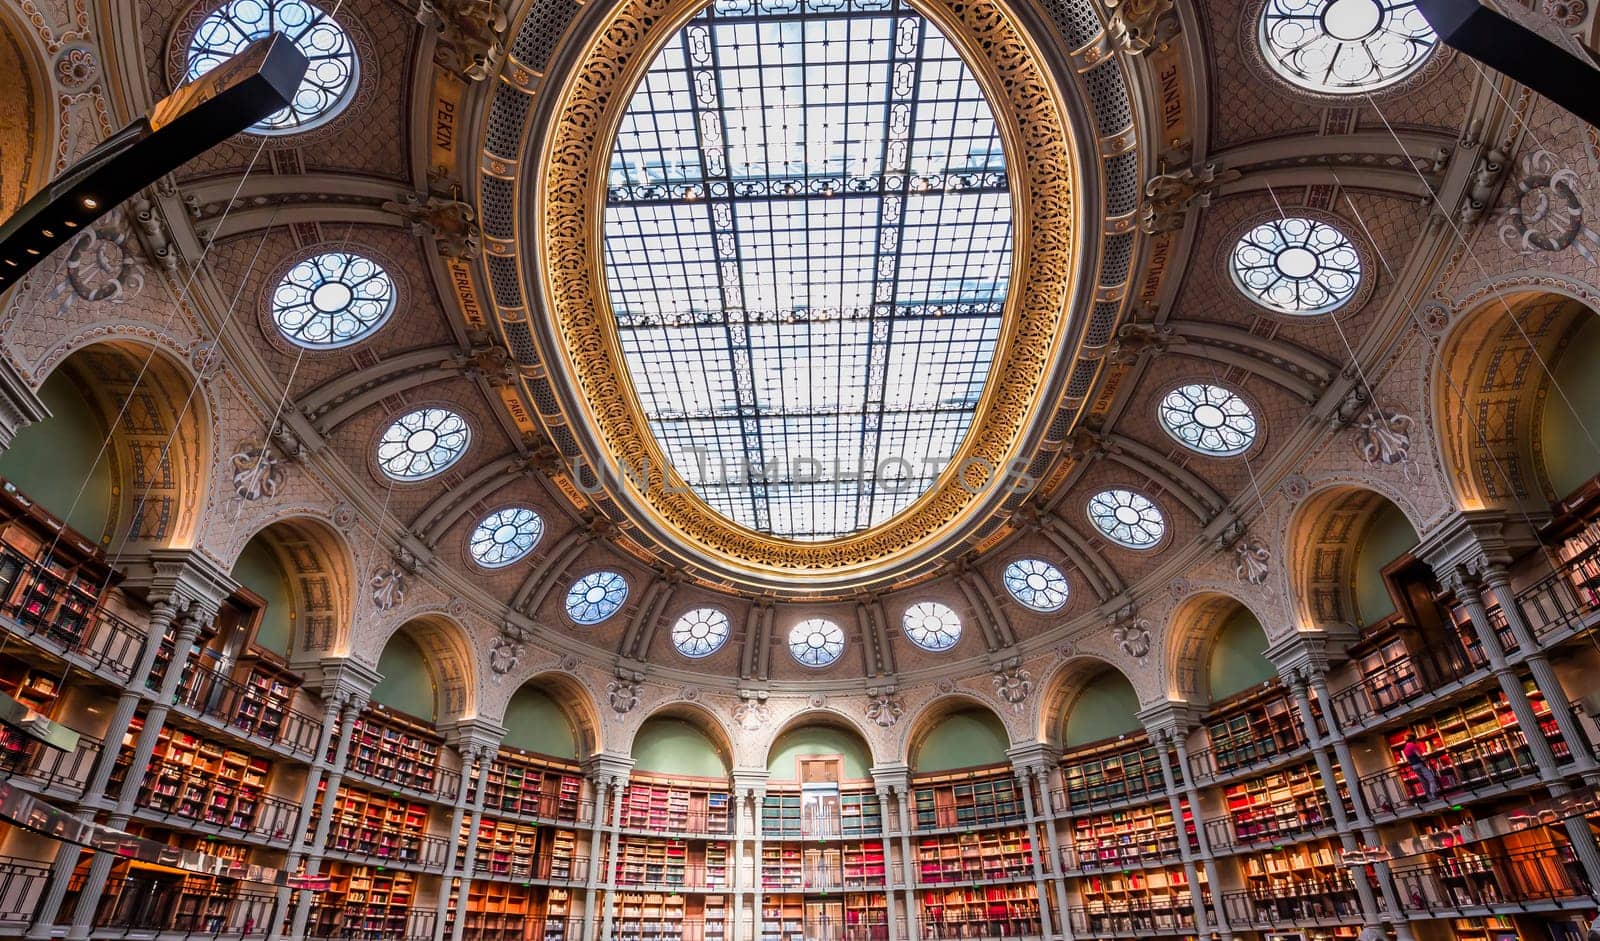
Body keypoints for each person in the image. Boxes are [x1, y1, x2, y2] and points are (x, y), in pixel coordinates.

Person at [1401, 732, 1440, 800]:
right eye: (1415, 739)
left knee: (1424, 782)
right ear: (1413, 739)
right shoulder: (1413, 745)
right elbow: (1419, 755)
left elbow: (1409, 761)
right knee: (1431, 779)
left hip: (1414, 767)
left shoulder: (1405, 749)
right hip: (1419, 765)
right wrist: (1425, 759)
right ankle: (1433, 794)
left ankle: (1429, 796)